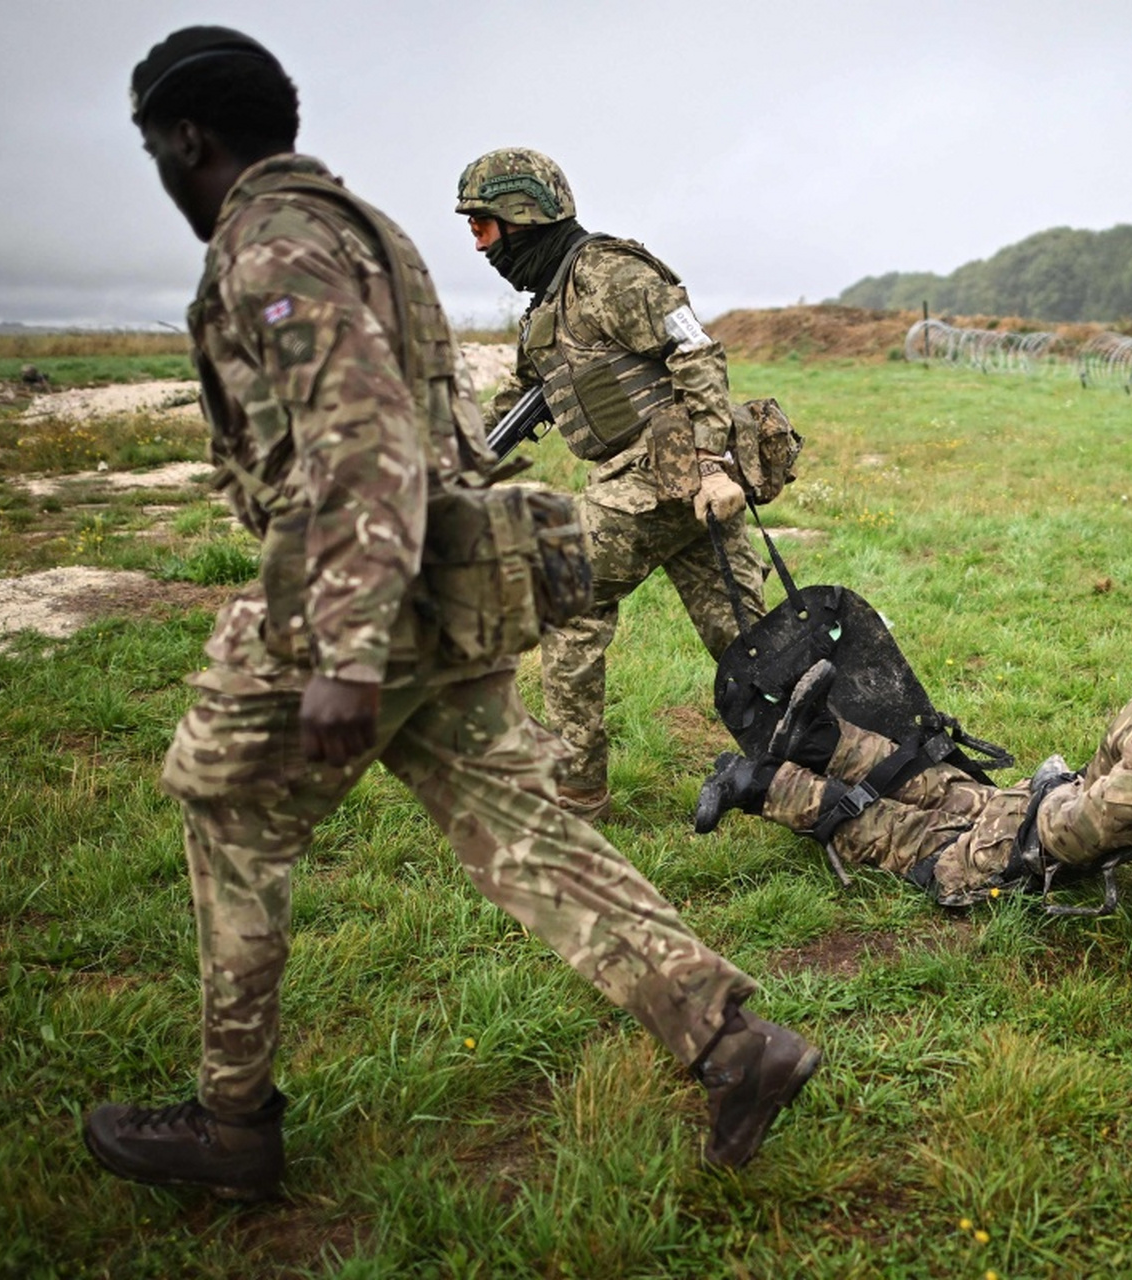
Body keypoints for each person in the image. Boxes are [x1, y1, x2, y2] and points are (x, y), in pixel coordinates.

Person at [84, 27, 816, 1200]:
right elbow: (460, 419)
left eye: (493, 221)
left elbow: (364, 441)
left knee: (225, 810)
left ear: (188, 137)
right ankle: (735, 1043)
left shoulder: (274, 249)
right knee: (530, 833)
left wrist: (348, 651)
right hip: (444, 580)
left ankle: (231, 1123)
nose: (481, 241)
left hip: (350, 587)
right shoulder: (368, 235)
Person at [455, 148, 767, 821]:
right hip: (665, 488)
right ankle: (837, 760)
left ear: (520, 214)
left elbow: (694, 348)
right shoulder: (550, 301)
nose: (477, 243)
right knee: (745, 638)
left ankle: (577, 791)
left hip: (661, 475)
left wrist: (713, 461)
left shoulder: (609, 274)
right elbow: (525, 391)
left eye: (480, 225)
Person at [693, 584, 1132, 906]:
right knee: (950, 792)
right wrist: (1050, 791)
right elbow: (1084, 818)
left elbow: (1077, 832)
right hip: (1046, 817)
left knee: (913, 837)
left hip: (1033, 845)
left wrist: (1047, 795)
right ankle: (822, 741)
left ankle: (758, 784)